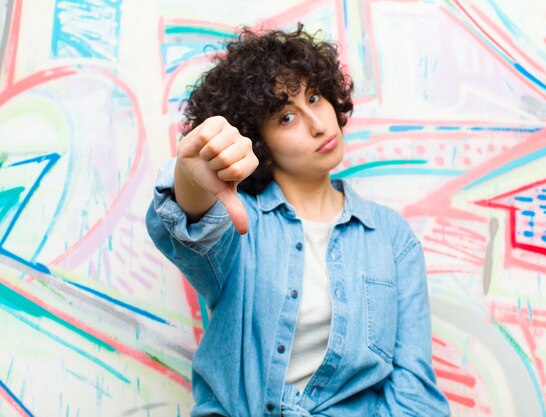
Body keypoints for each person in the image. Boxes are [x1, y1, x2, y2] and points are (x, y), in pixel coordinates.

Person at [146, 23, 450, 417]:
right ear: (259, 141)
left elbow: (415, 394)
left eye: (315, 96)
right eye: (286, 118)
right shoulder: (241, 226)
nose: (318, 124)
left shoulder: (390, 236)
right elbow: (191, 227)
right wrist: (191, 177)